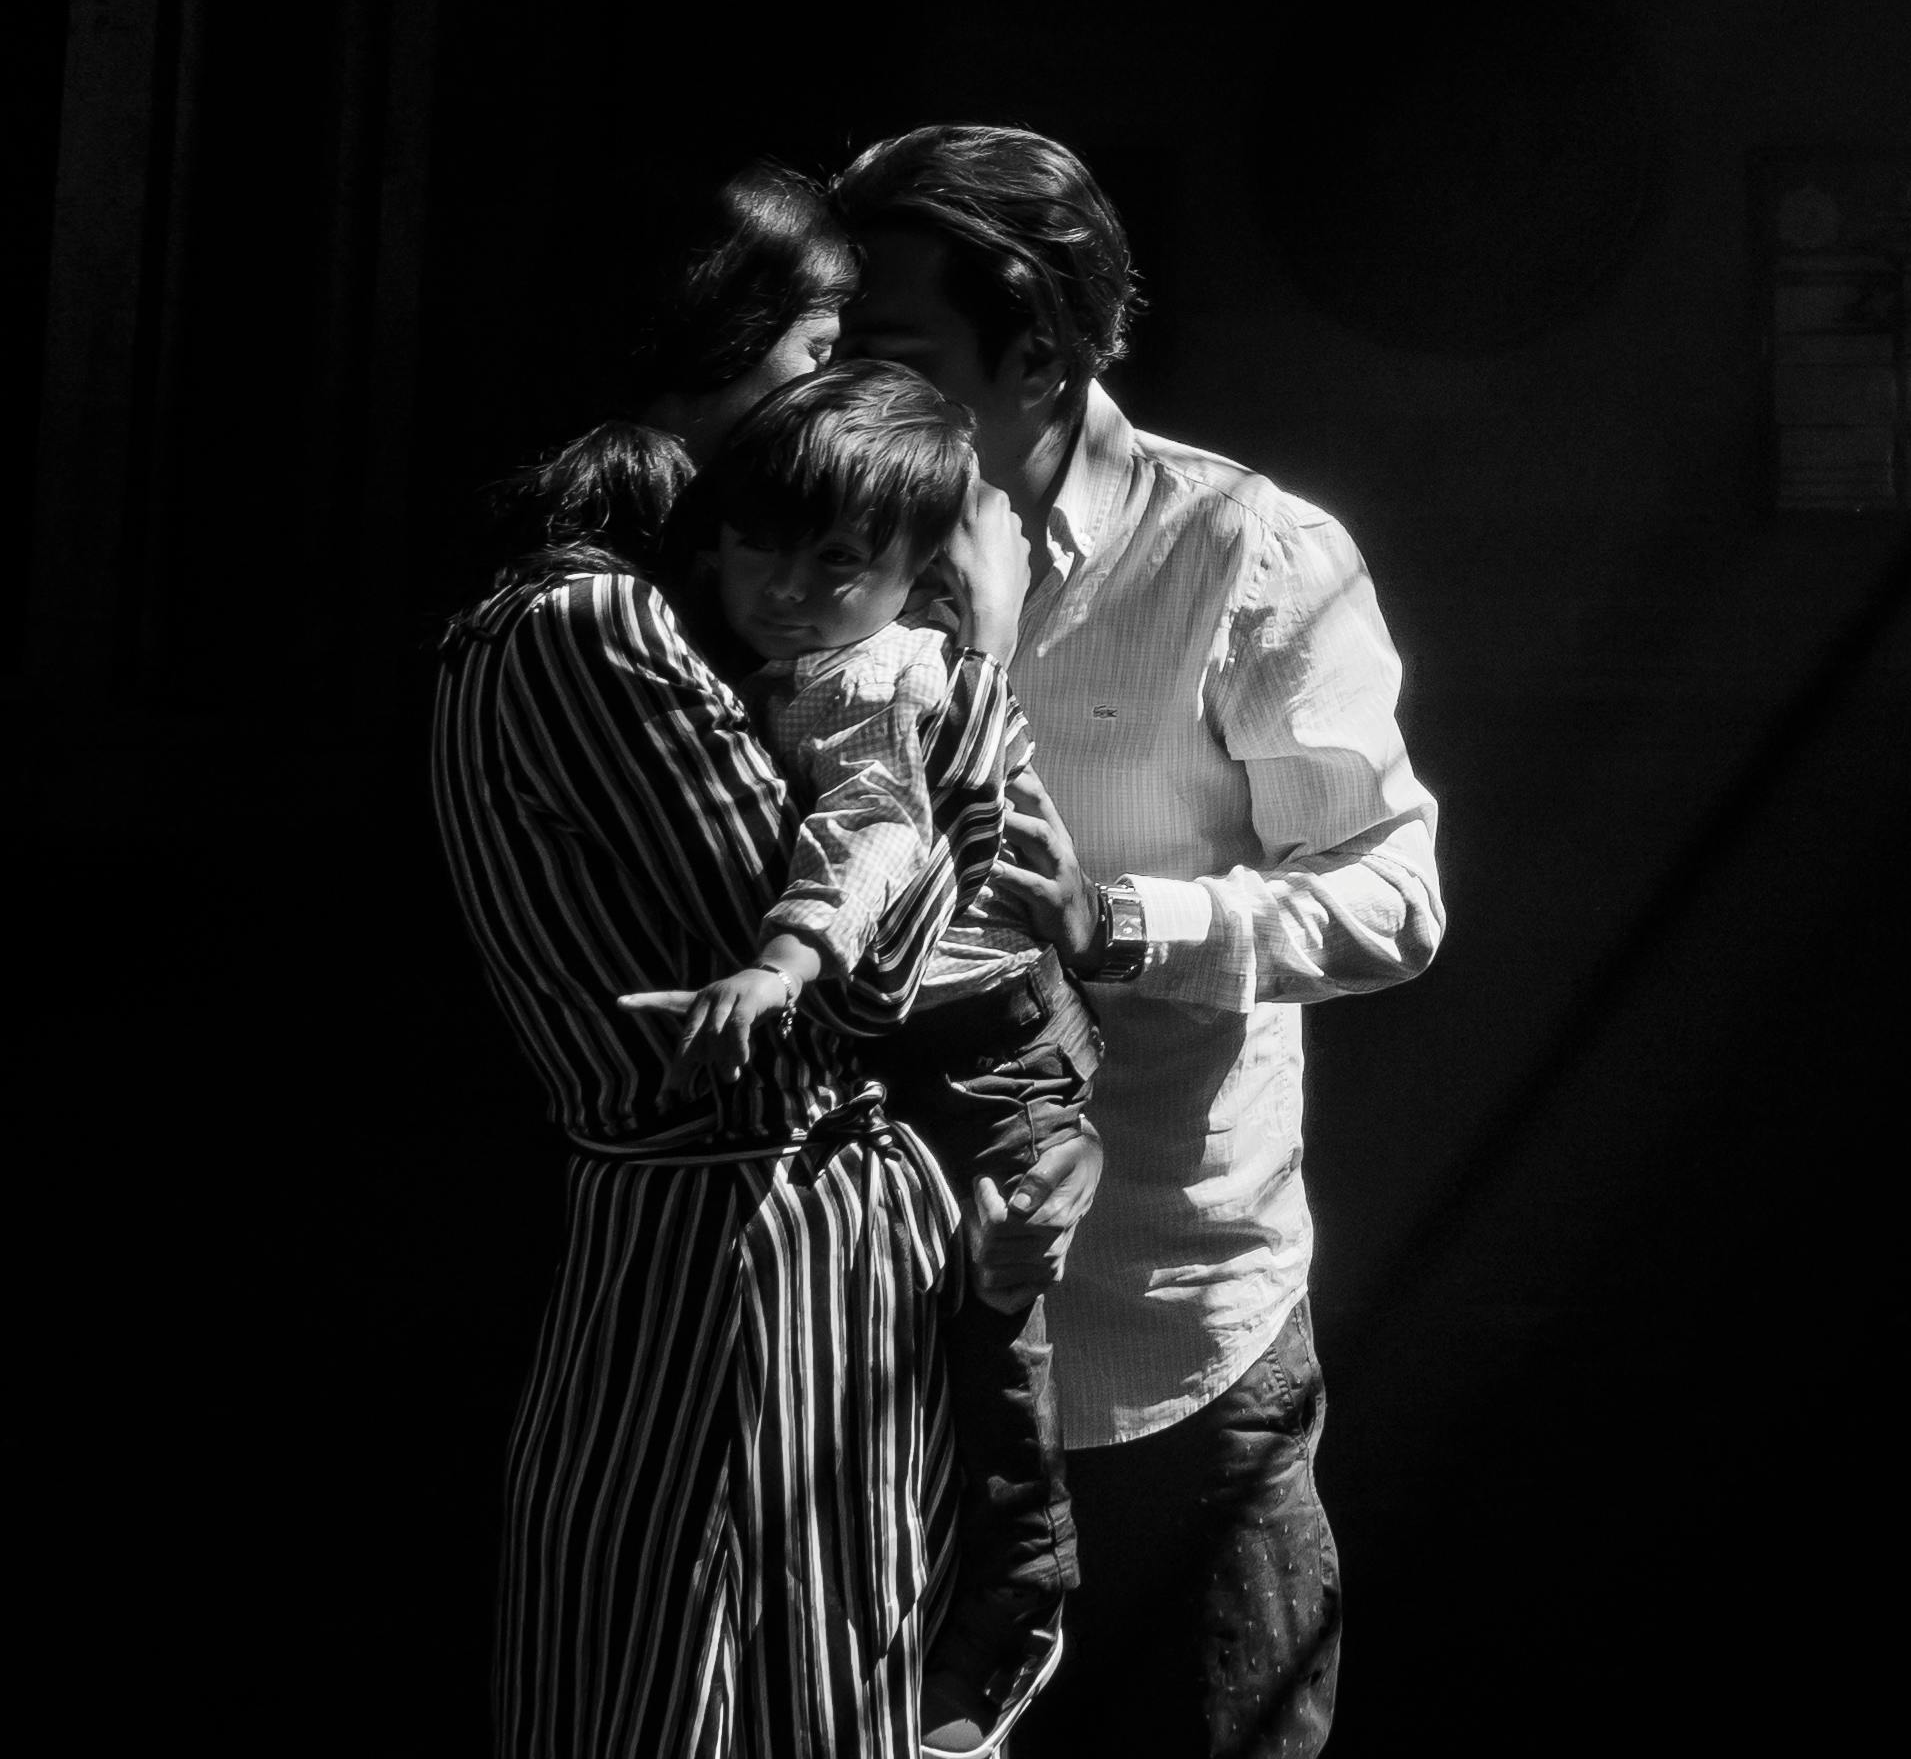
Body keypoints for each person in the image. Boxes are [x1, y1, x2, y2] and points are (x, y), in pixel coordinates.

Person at [827, 127, 1445, 1759]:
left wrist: (1121, 922)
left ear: (1038, 350)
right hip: (884, 1345)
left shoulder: (1246, 552)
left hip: (1168, 1334)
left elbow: (1393, 898)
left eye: (893, 351)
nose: (842, 389)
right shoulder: (820, 551)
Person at [429, 174, 963, 1759]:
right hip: (730, 1250)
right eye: (814, 348)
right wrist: (971, 684)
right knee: (700, 1686)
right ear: (718, 341)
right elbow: (860, 984)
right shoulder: (591, 623)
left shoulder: (618, 611)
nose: (825, 391)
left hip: (738, 1236)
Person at [642, 359, 1111, 1759]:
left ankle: (1018, 1604)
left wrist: (786, 960)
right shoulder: (777, 656)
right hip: (945, 1039)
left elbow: (877, 828)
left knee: (993, 1317)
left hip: (987, 1051)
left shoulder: (875, 676)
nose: (788, 588)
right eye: (761, 547)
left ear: (914, 578)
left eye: (838, 562)